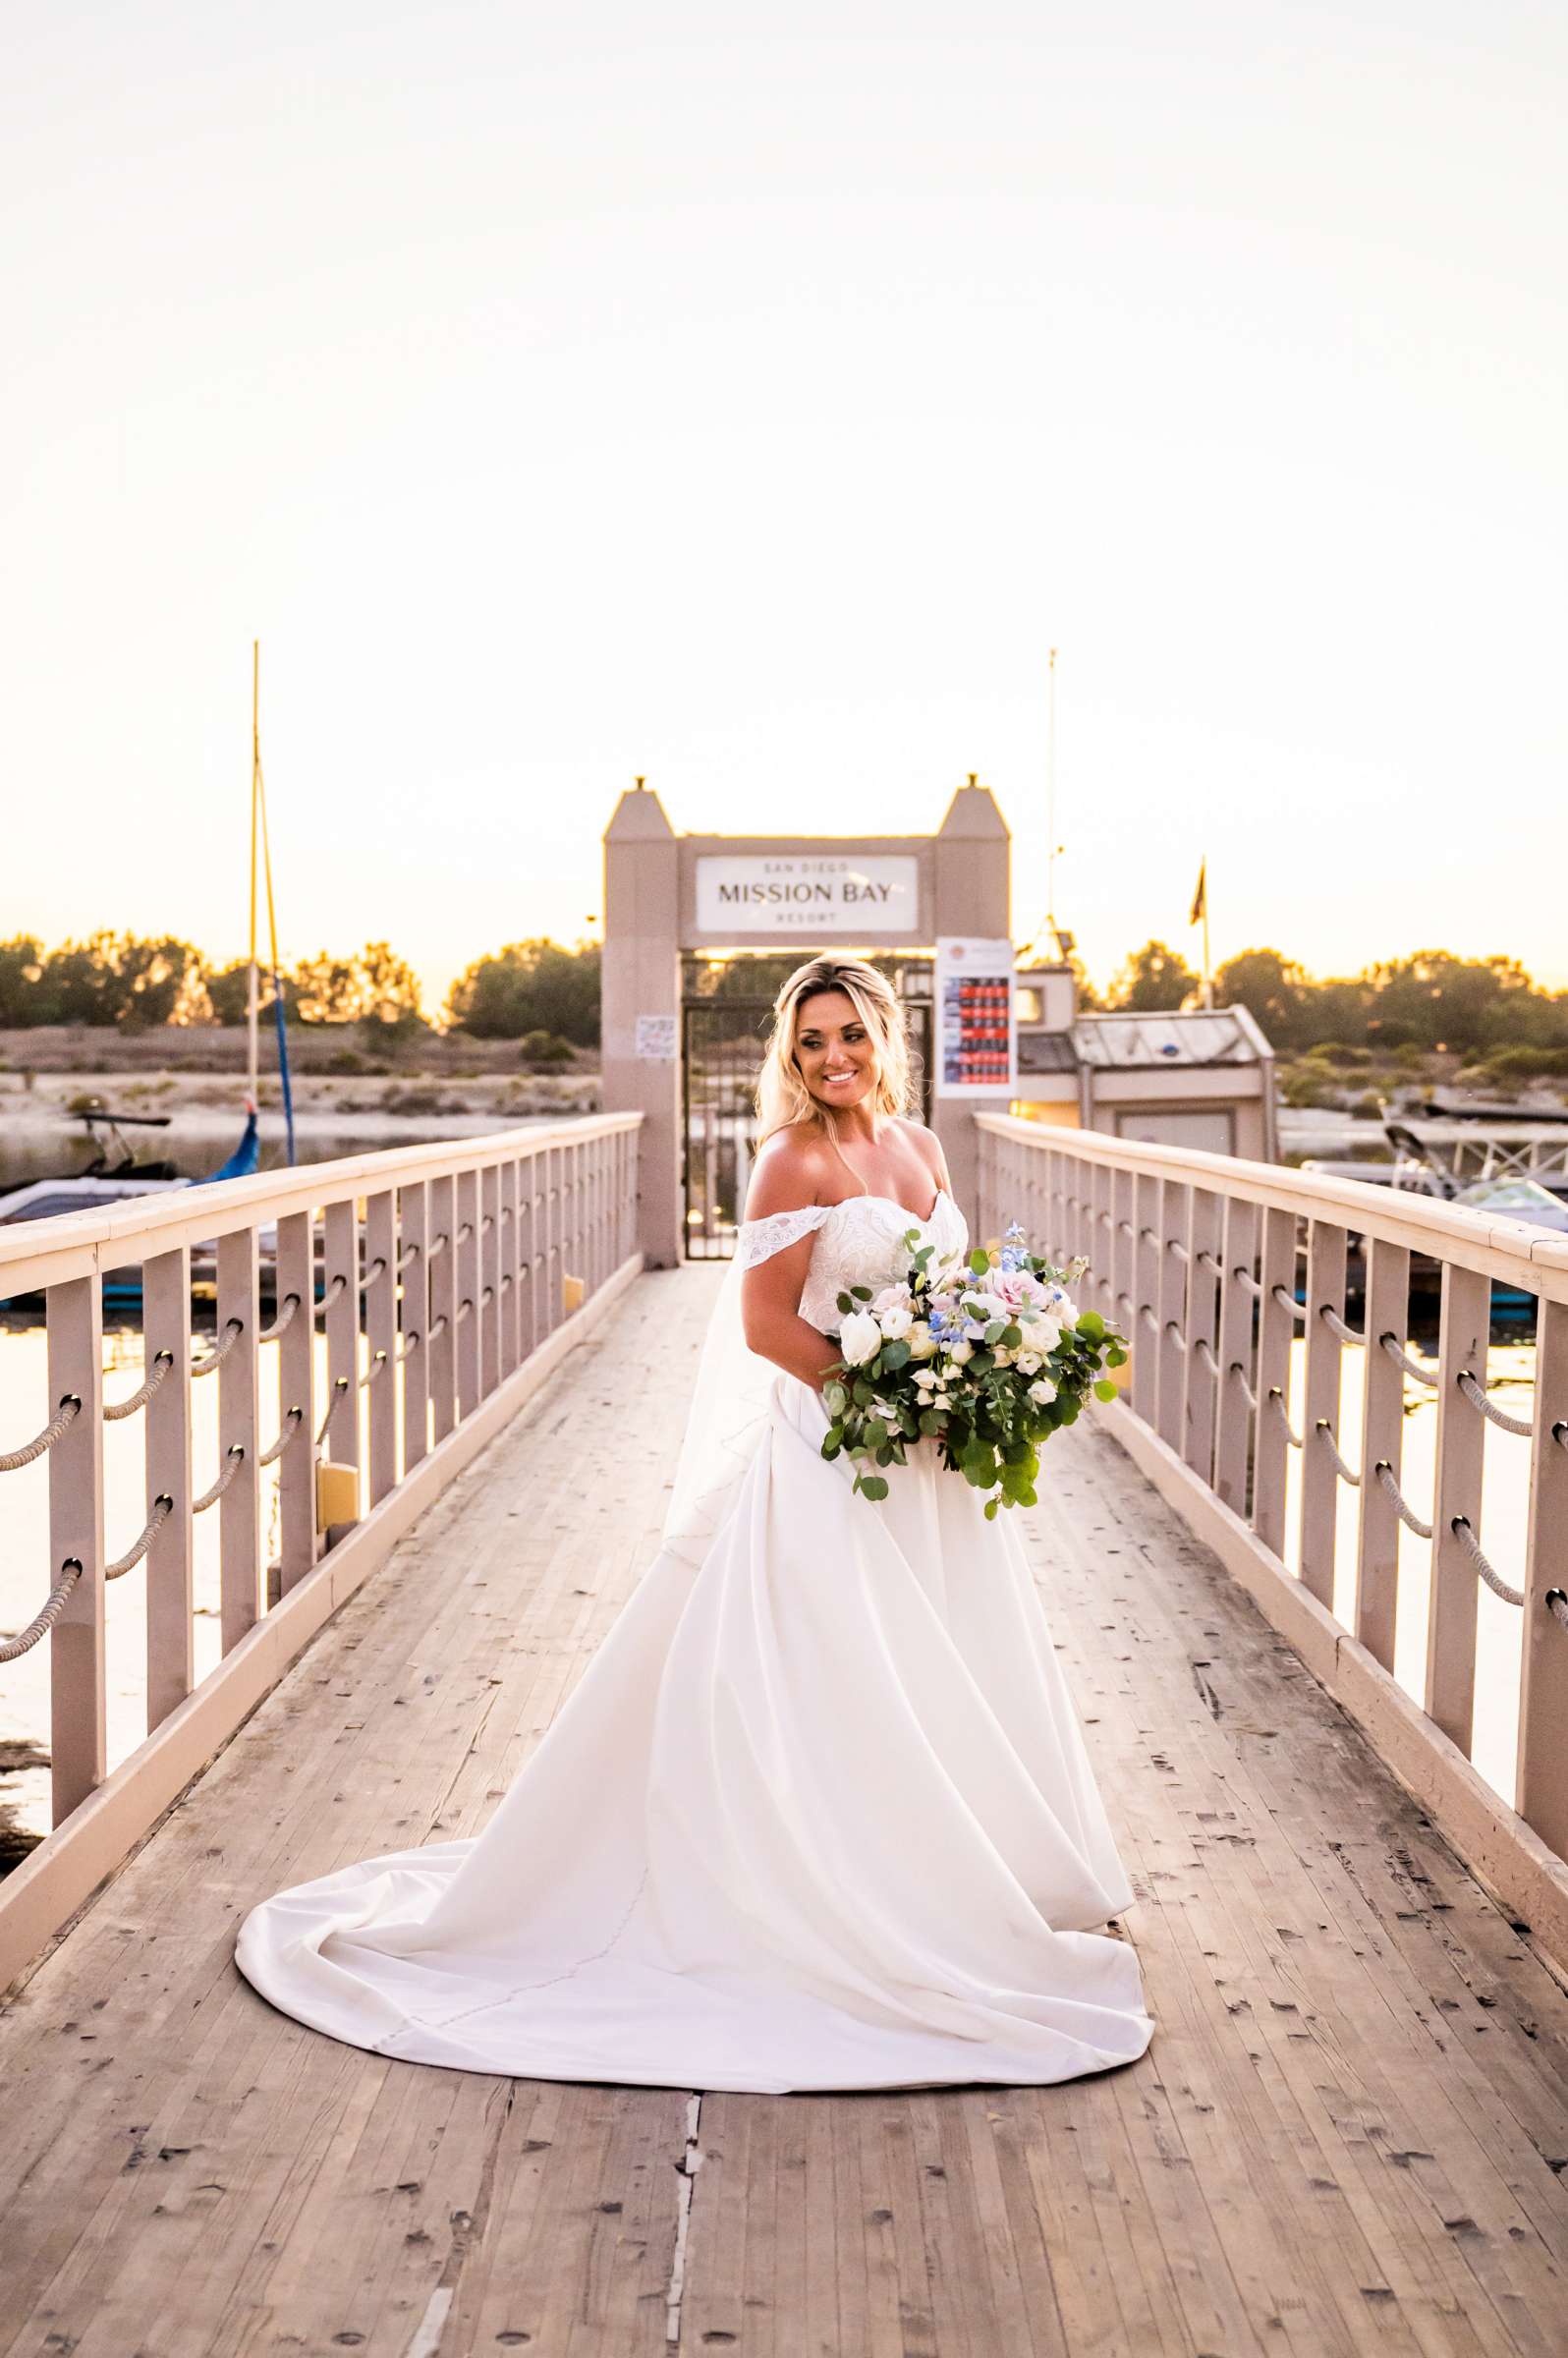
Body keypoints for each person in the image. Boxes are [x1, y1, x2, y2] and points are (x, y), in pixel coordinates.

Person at [235, 955, 1155, 2091]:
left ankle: (976, 1869)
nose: (833, 1060)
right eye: (812, 1041)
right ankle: (845, 1890)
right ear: (789, 1051)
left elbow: (944, 1292)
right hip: (840, 1446)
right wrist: (887, 1403)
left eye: (852, 1036)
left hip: (931, 1467)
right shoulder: (788, 1160)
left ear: (885, 1038)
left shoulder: (918, 1148)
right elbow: (769, 1327)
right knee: (842, 1672)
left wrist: (965, 1384)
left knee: (944, 1658)